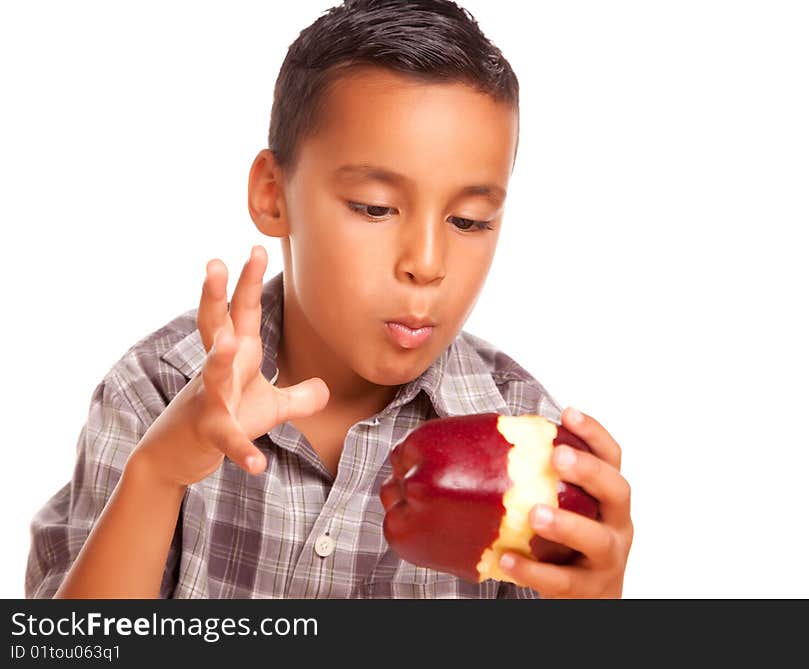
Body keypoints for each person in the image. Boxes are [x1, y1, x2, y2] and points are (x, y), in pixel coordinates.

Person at [25, 0, 633, 599]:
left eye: (469, 220)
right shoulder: (153, 390)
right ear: (273, 195)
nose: (426, 264)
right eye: (374, 208)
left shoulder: (526, 437)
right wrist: (160, 473)